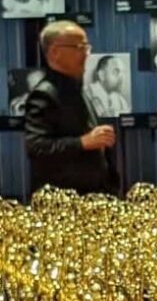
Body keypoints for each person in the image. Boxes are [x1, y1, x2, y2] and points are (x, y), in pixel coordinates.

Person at [24, 21, 118, 195]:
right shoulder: (45, 94)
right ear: (54, 52)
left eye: (87, 47)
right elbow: (37, 148)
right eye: (79, 47)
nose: (87, 54)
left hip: (92, 199)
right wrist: (83, 142)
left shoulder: (77, 88)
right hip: (63, 205)